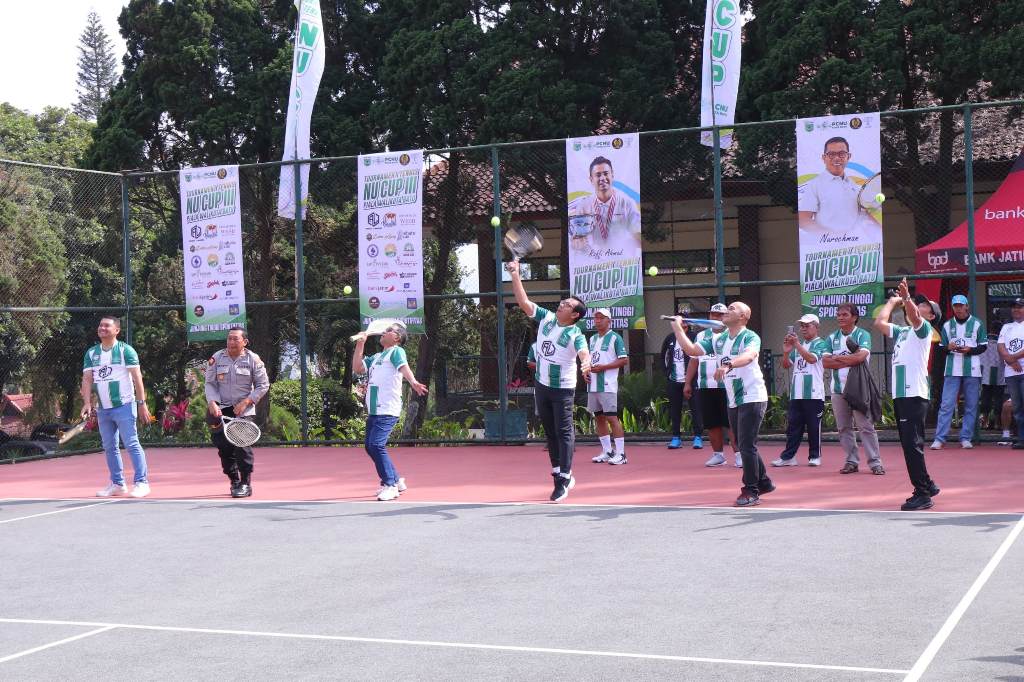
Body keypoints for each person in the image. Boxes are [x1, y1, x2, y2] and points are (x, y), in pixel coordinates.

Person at [671, 302, 774, 507]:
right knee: (745, 443)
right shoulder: (719, 340)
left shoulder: (750, 336)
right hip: (734, 398)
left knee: (744, 444)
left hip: (752, 396)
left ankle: (751, 490)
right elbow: (691, 349)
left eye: (733, 308)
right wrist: (677, 328)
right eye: (727, 308)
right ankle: (763, 482)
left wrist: (728, 364)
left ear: (744, 316)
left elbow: (749, 356)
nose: (727, 310)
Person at [506, 258, 591, 502]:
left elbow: (583, 352)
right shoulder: (547, 318)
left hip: (562, 389)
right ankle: (558, 474)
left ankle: (564, 478)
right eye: (562, 302)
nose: (561, 305)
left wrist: (585, 362)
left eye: (566, 305)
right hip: (541, 386)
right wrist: (515, 274)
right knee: (550, 432)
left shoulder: (575, 333)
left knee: (564, 432)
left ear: (574, 315)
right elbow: (523, 302)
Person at [874, 278, 942, 510]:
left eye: (926, 306)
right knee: (909, 444)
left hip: (913, 395)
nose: (920, 306)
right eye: (919, 303)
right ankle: (928, 484)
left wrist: (906, 299)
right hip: (902, 395)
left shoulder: (924, 329)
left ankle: (922, 494)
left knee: (911, 445)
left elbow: (914, 316)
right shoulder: (903, 332)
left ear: (931, 316)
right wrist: (893, 301)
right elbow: (880, 322)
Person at [352, 322, 429, 500]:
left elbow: (404, 367)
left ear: (397, 338)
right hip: (374, 409)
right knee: (370, 447)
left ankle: (390, 485)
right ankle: (395, 479)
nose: (384, 332)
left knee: (377, 445)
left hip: (387, 408)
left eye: (389, 331)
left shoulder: (396, 351)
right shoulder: (378, 356)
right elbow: (357, 368)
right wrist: (360, 343)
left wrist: (414, 382)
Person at [80, 316, 152, 498]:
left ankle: (141, 483)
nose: (102, 328)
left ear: (117, 330)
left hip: (125, 406)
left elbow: (137, 378)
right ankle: (118, 484)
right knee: (109, 447)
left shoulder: (125, 351)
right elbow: (87, 379)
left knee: (131, 444)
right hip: (103, 409)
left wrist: (142, 403)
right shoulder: (91, 353)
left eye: (107, 325)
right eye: (100, 325)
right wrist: (87, 403)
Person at [204, 327, 270, 497]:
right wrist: (212, 402)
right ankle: (234, 481)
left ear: (244, 342)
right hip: (221, 409)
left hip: (244, 411)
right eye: (229, 339)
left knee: (241, 445)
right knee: (223, 447)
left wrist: (246, 402)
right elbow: (210, 383)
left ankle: (246, 483)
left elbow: (263, 385)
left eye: (235, 339)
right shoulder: (216, 358)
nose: (231, 342)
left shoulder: (253, 359)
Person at [823, 303, 884, 475]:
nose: (840, 317)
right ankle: (851, 461)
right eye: (838, 314)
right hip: (837, 390)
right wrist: (850, 359)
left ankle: (875, 462)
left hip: (858, 389)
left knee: (866, 426)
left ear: (854, 317)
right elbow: (826, 362)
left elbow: (861, 357)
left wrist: (838, 358)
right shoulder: (831, 338)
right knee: (843, 427)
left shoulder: (862, 334)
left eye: (844, 314)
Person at [684, 303, 737, 467]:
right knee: (712, 423)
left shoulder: (732, 335)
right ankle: (718, 455)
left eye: (721, 315)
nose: (717, 318)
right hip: (705, 386)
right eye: (714, 315)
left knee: (731, 423)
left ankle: (740, 455)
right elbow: (694, 361)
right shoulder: (701, 336)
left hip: (727, 386)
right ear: (709, 316)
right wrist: (687, 383)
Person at [773, 314, 829, 467]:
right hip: (796, 393)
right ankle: (788, 457)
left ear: (816, 327)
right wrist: (786, 351)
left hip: (814, 393)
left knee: (813, 426)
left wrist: (796, 344)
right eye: (801, 326)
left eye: (807, 325)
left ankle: (814, 456)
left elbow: (812, 359)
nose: (803, 328)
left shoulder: (821, 344)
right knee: (793, 427)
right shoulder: (799, 345)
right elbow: (786, 365)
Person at [932, 295, 987, 449]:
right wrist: (948, 348)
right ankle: (940, 438)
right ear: (953, 308)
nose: (958, 308)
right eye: (955, 306)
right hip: (952, 369)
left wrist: (970, 350)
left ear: (967, 306)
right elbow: (941, 347)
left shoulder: (977, 323)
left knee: (971, 405)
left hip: (973, 369)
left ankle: (966, 437)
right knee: (947, 404)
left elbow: (983, 346)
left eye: (961, 305)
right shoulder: (947, 325)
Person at [798, 137, 881, 237]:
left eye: (841, 154)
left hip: (855, 244)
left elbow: (864, 215)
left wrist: (879, 229)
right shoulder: (814, 185)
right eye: (831, 154)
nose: (837, 158)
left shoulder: (854, 185)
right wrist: (831, 236)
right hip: (828, 248)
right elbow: (803, 220)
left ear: (848, 156)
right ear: (824, 158)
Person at [568, 156, 641, 255]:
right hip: (593, 262)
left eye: (606, 174)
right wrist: (577, 243)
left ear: (612, 175)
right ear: (591, 179)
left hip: (621, 261)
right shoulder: (583, 206)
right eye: (598, 175)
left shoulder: (627, 203)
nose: (602, 178)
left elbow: (637, 236)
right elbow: (576, 240)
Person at [587, 308, 629, 464]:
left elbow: (624, 360)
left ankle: (621, 454)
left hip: (607, 385)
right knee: (599, 418)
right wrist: (586, 372)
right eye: (596, 318)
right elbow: (590, 361)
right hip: (593, 385)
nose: (598, 321)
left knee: (612, 417)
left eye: (601, 318)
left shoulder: (615, 338)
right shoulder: (592, 339)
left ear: (609, 321)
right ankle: (607, 452)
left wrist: (603, 368)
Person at [661, 313, 704, 450]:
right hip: (674, 380)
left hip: (692, 380)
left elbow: (697, 357)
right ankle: (676, 437)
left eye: (684, 321)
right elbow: (663, 356)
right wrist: (667, 373)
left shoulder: (694, 337)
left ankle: (698, 437)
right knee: (675, 409)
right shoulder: (670, 338)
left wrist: (693, 378)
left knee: (696, 408)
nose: (682, 323)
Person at [997, 297, 1024, 450]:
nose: (1016, 309)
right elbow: (1000, 346)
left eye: (1020, 307)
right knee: (1018, 408)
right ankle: (1021, 438)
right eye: (1014, 307)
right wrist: (1010, 360)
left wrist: (1012, 358)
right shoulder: (1006, 327)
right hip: (1011, 372)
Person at [978, 330, 1006, 431]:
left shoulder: (984, 340)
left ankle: (985, 421)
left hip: (985, 372)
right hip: (999, 372)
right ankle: (997, 422)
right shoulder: (1002, 340)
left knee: (986, 397)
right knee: (998, 398)